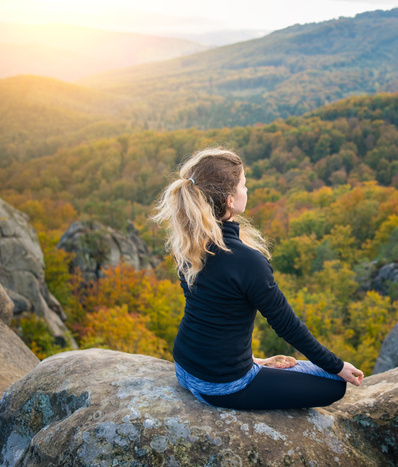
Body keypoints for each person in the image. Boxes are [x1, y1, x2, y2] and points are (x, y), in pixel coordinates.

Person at [151, 148, 364, 410]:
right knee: (334, 383)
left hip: (185, 367)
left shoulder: (189, 244)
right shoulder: (247, 261)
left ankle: (251, 364)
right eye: (244, 184)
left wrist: (254, 361)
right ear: (229, 200)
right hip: (222, 384)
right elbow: (287, 325)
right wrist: (338, 365)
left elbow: (213, 316)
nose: (247, 190)